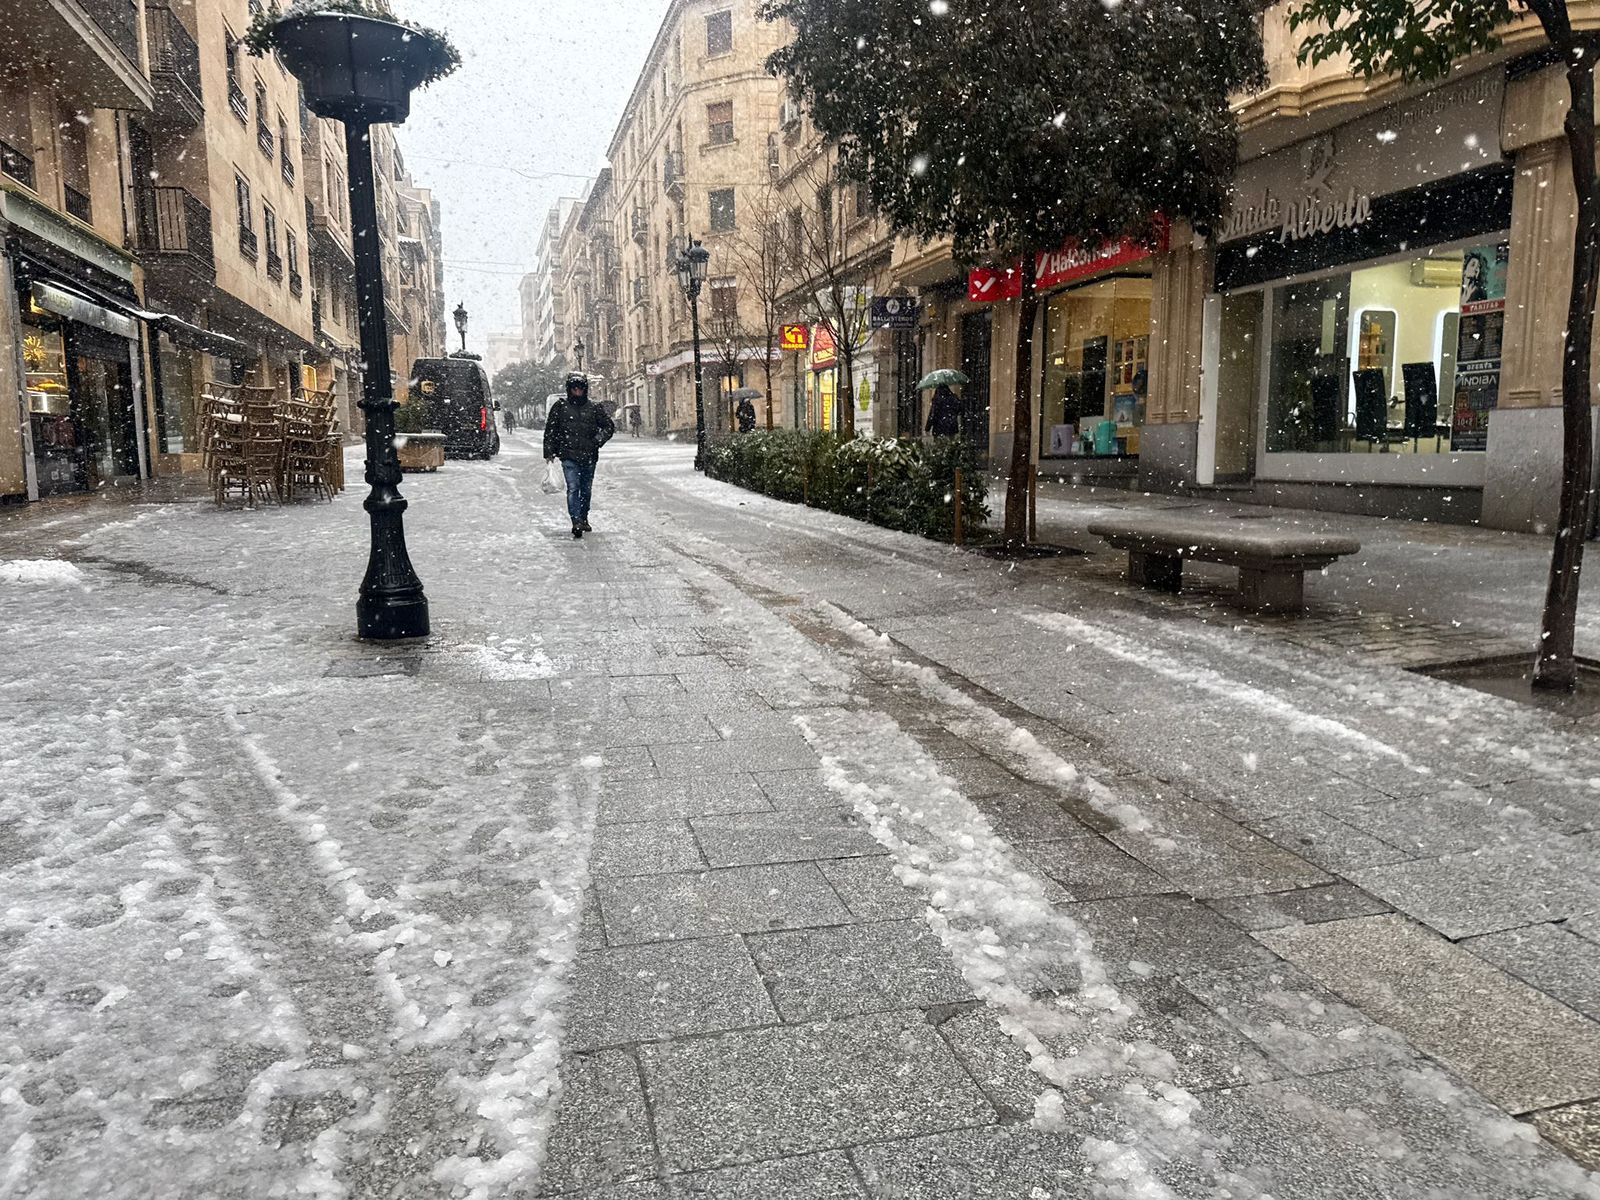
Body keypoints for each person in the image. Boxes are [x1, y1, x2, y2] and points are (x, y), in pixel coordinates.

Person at [543, 373, 614, 539]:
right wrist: (549, 452)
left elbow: (608, 427)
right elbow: (550, 431)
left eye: (580, 387)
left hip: (589, 456)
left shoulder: (594, 408)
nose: (577, 391)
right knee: (573, 488)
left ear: (585, 389)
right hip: (568, 455)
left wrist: (597, 440)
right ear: (569, 389)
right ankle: (575, 521)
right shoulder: (560, 408)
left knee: (586, 490)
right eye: (574, 388)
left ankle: (583, 517)